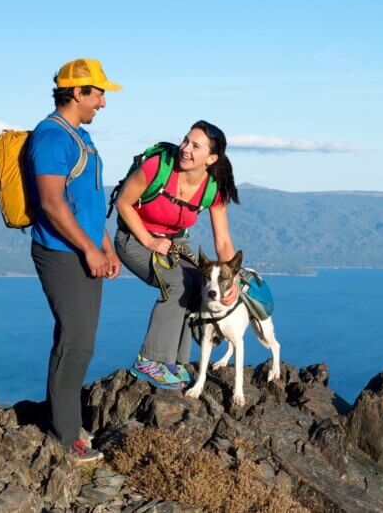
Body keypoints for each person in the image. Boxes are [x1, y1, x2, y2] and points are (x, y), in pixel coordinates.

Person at [28, 58, 122, 463]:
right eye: (98, 93)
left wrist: (106, 246)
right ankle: (65, 437)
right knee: (76, 342)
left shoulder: (80, 137)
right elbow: (51, 202)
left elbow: (86, 202)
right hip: (61, 253)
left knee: (80, 342)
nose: (102, 102)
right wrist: (88, 249)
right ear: (77, 92)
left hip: (85, 251)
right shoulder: (51, 138)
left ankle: (65, 423)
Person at [113, 120, 240, 389]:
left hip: (174, 242)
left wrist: (234, 282)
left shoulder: (213, 189)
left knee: (200, 285)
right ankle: (150, 360)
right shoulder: (157, 167)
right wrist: (149, 240)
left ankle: (175, 363)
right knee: (177, 283)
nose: (185, 148)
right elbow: (122, 203)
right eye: (185, 141)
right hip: (134, 238)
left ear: (211, 158)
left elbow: (223, 239)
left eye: (196, 146)